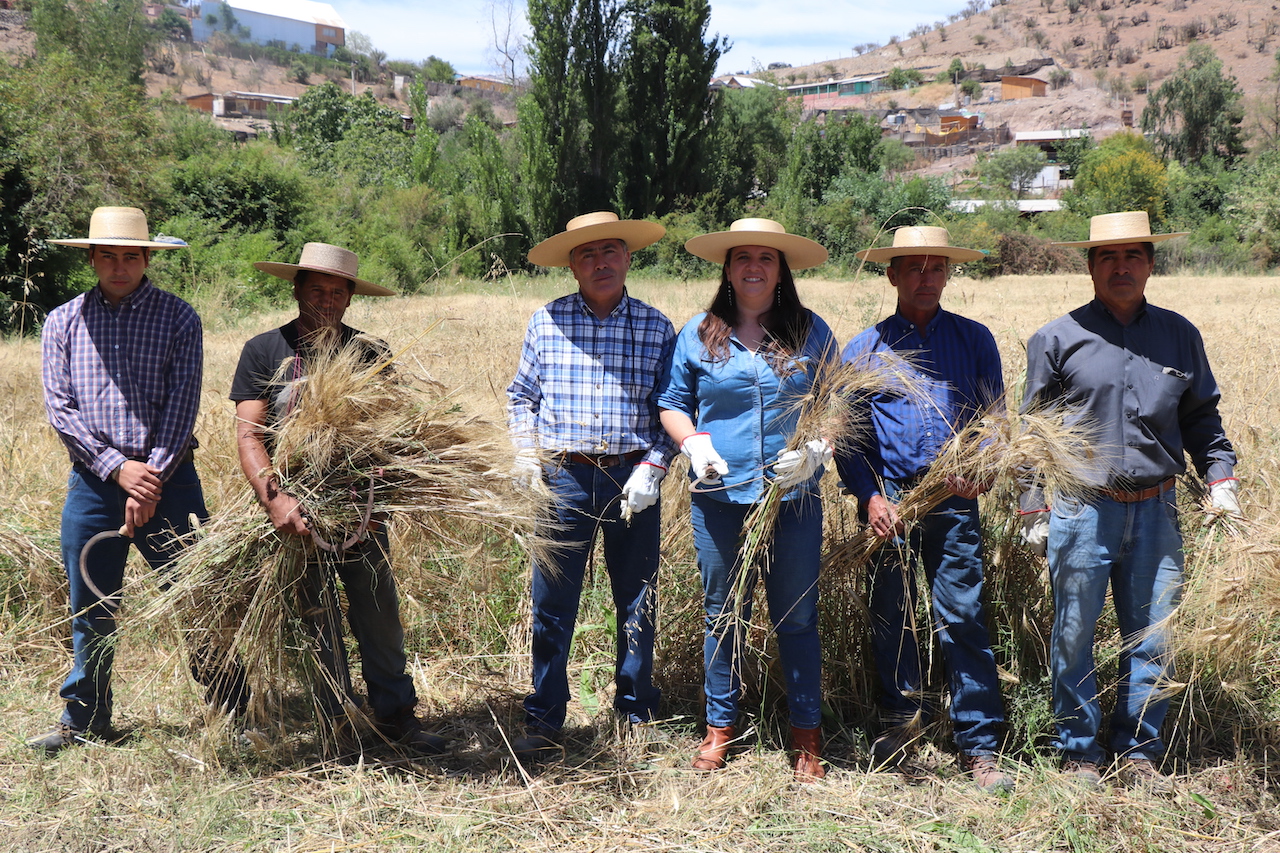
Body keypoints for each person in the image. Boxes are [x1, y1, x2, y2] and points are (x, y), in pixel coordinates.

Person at [1021, 211, 1239, 789]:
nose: (1121, 267)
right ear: (1090, 266)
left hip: (1158, 509)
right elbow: (1031, 432)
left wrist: (1221, 479)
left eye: (1133, 256)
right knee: (1074, 633)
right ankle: (1079, 751)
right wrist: (1031, 507)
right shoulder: (1056, 337)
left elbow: (1202, 418)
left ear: (1151, 264)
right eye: (1108, 257)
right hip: (1080, 507)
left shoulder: (1179, 335)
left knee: (1153, 633)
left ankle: (1139, 750)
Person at [31, 206, 247, 753]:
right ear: (92, 258)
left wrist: (148, 479)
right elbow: (62, 411)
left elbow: (182, 406)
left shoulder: (179, 318)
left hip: (170, 481)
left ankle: (238, 712)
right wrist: (117, 470)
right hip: (94, 485)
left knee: (199, 599)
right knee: (91, 606)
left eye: (131, 255)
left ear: (148, 257)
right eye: (108, 255)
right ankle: (85, 720)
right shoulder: (62, 322)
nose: (119, 266)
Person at [230, 242, 446, 757]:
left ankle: (396, 717)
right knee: (315, 616)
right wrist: (276, 501)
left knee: (379, 617)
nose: (326, 298)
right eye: (316, 288)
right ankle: (336, 724)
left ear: (349, 296)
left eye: (336, 290)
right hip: (295, 511)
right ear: (297, 289)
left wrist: (381, 497)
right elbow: (248, 436)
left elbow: (394, 432)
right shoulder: (265, 350)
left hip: (361, 510)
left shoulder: (370, 351)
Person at [835, 225, 1013, 793]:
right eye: (913, 267)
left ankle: (979, 744)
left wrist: (980, 468)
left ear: (948, 274)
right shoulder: (864, 349)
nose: (926, 278)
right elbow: (848, 440)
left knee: (962, 615)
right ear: (892, 275)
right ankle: (900, 724)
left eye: (937, 268)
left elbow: (996, 420)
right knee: (893, 613)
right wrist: (869, 497)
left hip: (952, 500)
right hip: (890, 504)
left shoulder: (974, 340)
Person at [658, 218, 836, 783]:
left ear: (781, 269)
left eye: (766, 257)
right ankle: (719, 727)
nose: (754, 267)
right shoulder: (700, 332)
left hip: (794, 498)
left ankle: (806, 733)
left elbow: (836, 401)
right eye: (742, 258)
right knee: (722, 611)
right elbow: (671, 401)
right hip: (718, 495)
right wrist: (693, 441)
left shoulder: (809, 330)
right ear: (727, 269)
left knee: (797, 617)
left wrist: (816, 447)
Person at [506, 212, 676, 758]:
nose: (600, 262)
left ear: (628, 257)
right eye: (587, 254)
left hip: (633, 476)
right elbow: (521, 397)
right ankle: (545, 714)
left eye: (610, 251)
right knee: (552, 602)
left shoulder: (656, 326)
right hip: (563, 477)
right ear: (572, 264)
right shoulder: (546, 321)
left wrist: (655, 466)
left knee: (638, 597)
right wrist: (525, 453)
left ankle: (634, 710)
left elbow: (673, 409)